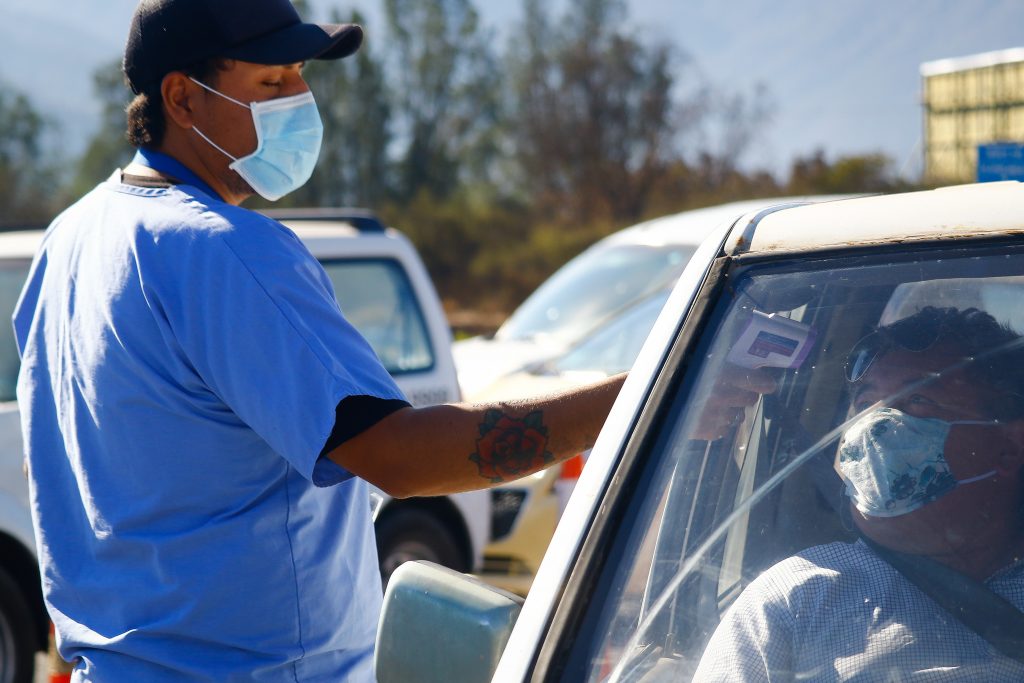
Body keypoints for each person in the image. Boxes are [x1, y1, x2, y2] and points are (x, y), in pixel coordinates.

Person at [12, 1, 624, 680]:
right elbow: (401, 457)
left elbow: (62, 481)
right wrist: (636, 401)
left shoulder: (71, 236)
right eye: (271, 85)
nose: (300, 102)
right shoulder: (226, 251)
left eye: (301, 76)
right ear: (182, 98)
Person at [693, 306, 1024, 681]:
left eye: (918, 401)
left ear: (1010, 446)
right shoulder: (794, 599)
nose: (874, 426)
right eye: (865, 404)